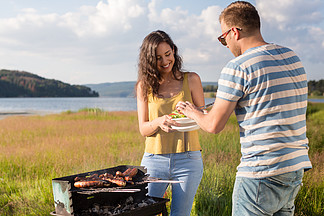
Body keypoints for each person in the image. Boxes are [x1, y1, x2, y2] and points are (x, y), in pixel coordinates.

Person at [176, 1, 312, 215]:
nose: (226, 44)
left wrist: (191, 111)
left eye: (223, 38)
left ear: (234, 32)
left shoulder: (238, 67)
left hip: (260, 174)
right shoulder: (292, 57)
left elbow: (213, 125)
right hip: (294, 170)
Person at [135, 30, 205, 216]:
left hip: (188, 160)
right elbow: (143, 129)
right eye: (158, 58)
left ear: (174, 50)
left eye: (168, 54)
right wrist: (157, 121)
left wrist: (192, 111)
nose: (165, 61)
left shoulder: (191, 79)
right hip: (154, 160)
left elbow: (204, 118)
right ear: (149, 60)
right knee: (145, 212)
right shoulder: (144, 86)